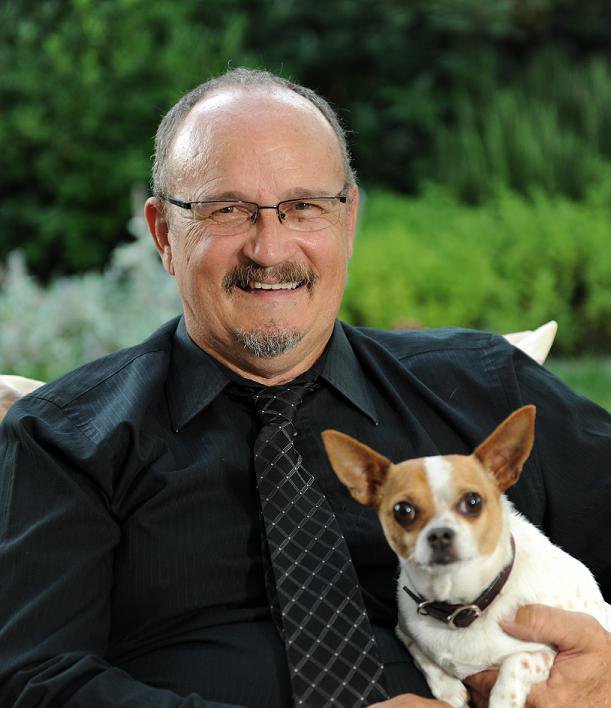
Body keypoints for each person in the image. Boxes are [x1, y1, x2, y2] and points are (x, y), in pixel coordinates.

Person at [0, 68, 609, 708]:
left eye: (304, 207)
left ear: (347, 220)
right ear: (163, 234)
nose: (269, 248)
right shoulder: (67, 439)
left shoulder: (485, 387)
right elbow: (32, 681)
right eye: (227, 209)